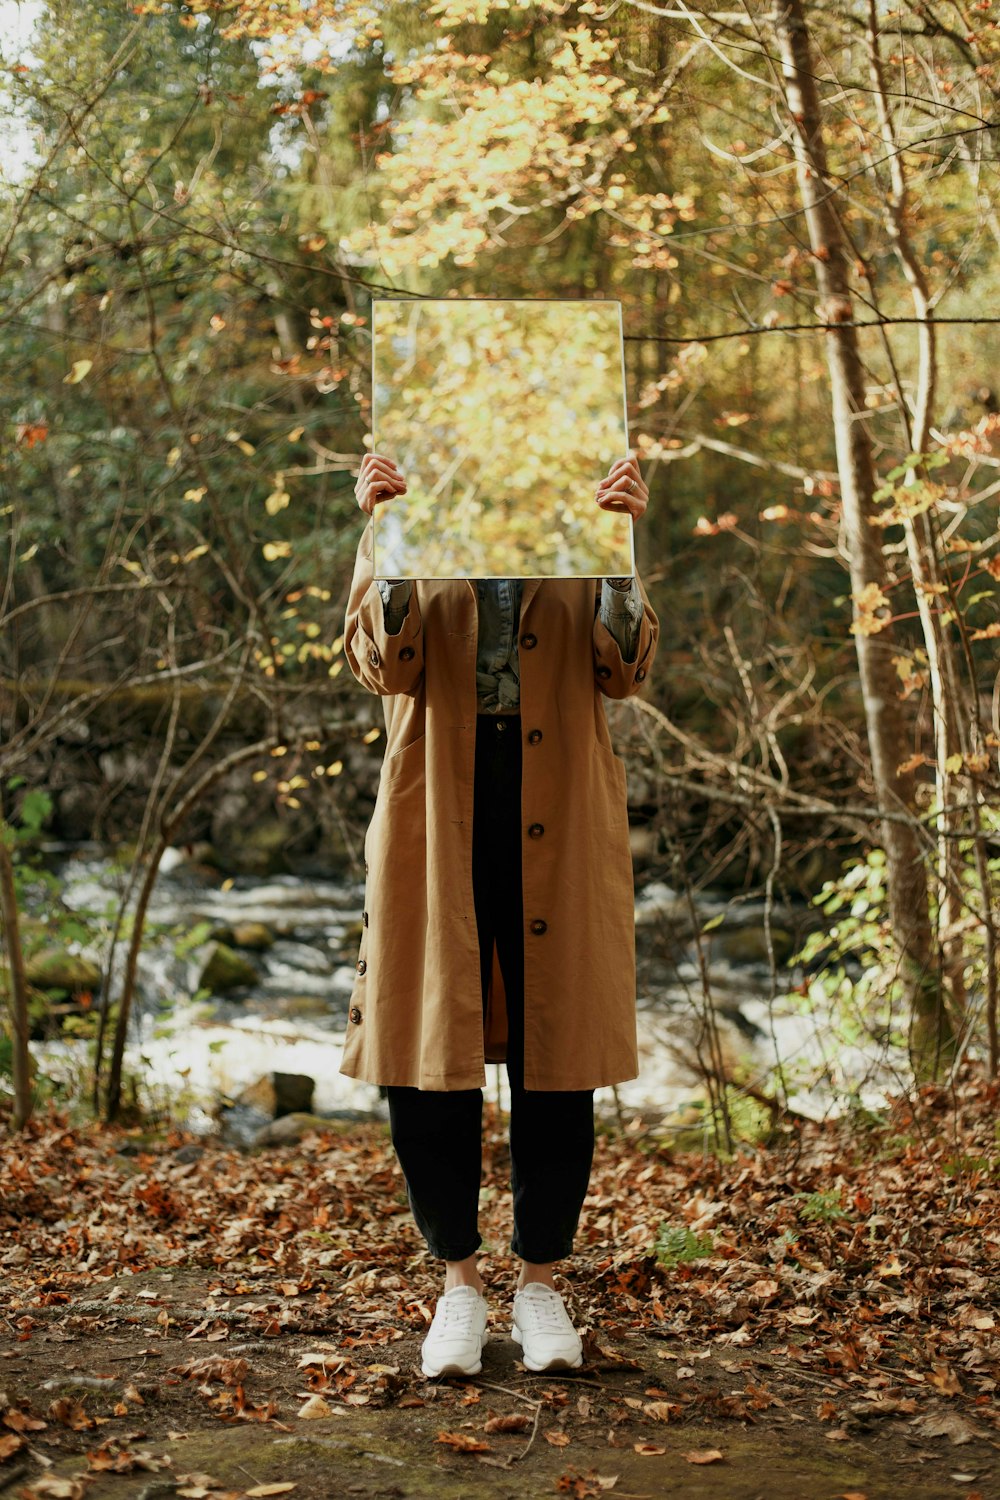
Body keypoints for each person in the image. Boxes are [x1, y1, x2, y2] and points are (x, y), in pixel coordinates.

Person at [341, 450, 658, 1378]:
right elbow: (379, 666)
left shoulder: (580, 503)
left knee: (556, 1046)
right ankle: (460, 1290)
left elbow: (623, 671)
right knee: (427, 1047)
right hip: (436, 805)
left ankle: (541, 1284)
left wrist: (620, 546)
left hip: (558, 796)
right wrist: (387, 535)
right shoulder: (409, 507)